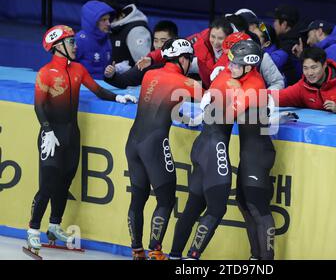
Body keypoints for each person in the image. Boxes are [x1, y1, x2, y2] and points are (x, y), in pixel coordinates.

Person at [26, 25, 137, 256]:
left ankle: (54, 226)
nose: (76, 46)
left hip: (72, 136)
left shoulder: (77, 69)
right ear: (58, 47)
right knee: (47, 185)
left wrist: (119, 97)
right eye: (72, 42)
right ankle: (33, 231)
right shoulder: (45, 72)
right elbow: (39, 106)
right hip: (51, 136)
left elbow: (97, 90)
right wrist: (46, 130)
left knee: (64, 182)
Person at [169, 40, 280, 260]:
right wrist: (213, 95)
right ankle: (179, 256)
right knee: (223, 205)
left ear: (250, 67)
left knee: (254, 207)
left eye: (237, 65)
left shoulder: (254, 85)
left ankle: (262, 260)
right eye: (231, 63)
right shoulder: (233, 74)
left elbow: (227, 114)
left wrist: (211, 101)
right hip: (223, 148)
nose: (231, 68)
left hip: (255, 155)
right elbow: (216, 93)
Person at [125, 38, 203, 260]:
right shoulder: (185, 82)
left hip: (133, 142)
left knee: (138, 199)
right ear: (182, 59)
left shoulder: (150, 74)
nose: (190, 65)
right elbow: (216, 100)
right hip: (155, 144)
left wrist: (181, 114)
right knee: (166, 200)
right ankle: (155, 251)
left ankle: (136, 249)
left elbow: (160, 101)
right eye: (189, 60)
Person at [270, 47, 336, 116]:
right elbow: (276, 96)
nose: (309, 73)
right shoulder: (302, 87)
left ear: (324, 65)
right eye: (305, 68)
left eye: (314, 67)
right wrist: (255, 95)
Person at [103, 20, 178, 89]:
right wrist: (111, 75)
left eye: (163, 41)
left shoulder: (184, 60)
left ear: (174, 41)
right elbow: (124, 80)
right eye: (156, 41)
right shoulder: (147, 62)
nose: (158, 45)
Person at [209, 31, 285, 90]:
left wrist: (263, 96)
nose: (228, 57)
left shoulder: (263, 58)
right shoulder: (228, 55)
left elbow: (278, 83)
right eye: (227, 53)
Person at [75, 0, 115, 79]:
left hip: (103, 87)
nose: (108, 23)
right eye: (104, 20)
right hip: (84, 88)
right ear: (92, 22)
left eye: (108, 19)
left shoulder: (107, 38)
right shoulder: (79, 40)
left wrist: (111, 73)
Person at [109, 4, 152, 74]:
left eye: (106, 19)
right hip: (116, 80)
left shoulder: (136, 30)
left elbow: (144, 65)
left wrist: (124, 69)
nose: (106, 23)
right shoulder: (115, 28)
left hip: (132, 83)